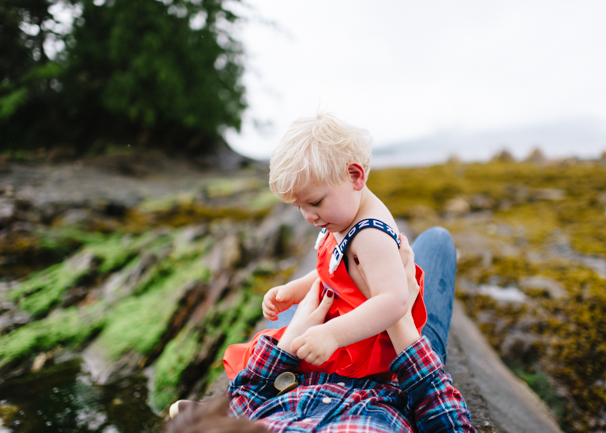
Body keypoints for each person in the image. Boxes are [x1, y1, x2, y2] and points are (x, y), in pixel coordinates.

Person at [166, 229, 475, 432]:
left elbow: (244, 396)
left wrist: (289, 340)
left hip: (299, 363)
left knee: (326, 278)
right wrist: (396, 314)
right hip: (395, 368)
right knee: (435, 240)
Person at [223, 114, 428, 381]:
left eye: (316, 202)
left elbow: (394, 300)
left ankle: (223, 409)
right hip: (343, 323)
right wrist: (293, 291)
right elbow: (334, 274)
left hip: (360, 346)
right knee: (263, 348)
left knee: (272, 354)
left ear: (355, 176)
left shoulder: (370, 235)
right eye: (300, 207)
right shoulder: (342, 218)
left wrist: (332, 335)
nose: (309, 217)